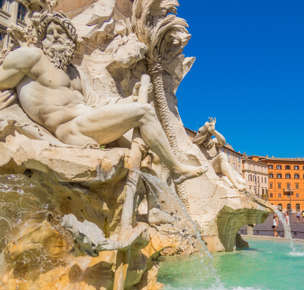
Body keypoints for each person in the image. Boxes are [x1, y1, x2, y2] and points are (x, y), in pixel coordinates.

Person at [0, 11, 206, 185]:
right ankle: (178, 168)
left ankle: (153, 209)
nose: (54, 37)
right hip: (69, 128)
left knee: (148, 157)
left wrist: (129, 101)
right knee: (144, 113)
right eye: (49, 33)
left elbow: (95, 103)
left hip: (90, 122)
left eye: (60, 33)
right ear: (41, 38)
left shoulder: (74, 72)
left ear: (71, 42)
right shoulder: (31, 57)